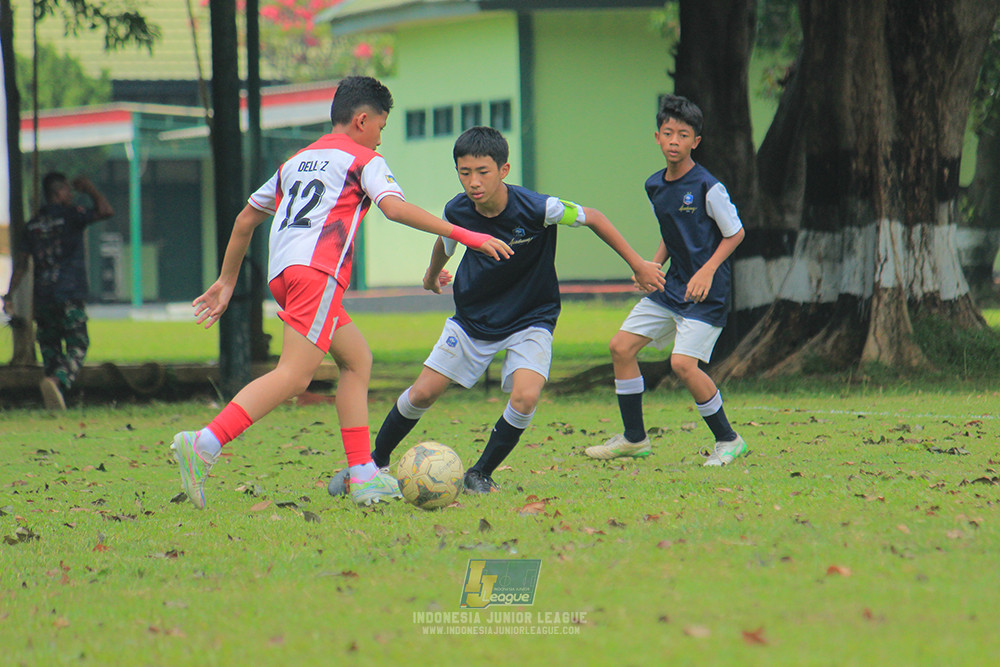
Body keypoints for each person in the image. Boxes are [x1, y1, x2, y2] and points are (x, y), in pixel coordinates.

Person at [168, 76, 513, 510]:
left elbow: (244, 220)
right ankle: (205, 443)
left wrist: (226, 280)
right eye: (381, 128)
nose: (380, 138)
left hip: (287, 274)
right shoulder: (363, 159)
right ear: (363, 120)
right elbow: (394, 208)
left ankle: (364, 475)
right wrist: (467, 235)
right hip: (317, 272)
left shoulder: (296, 161)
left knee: (356, 360)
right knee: (294, 376)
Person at [329, 125, 664, 496]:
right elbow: (446, 241)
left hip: (531, 318)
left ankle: (481, 472)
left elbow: (596, 217)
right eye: (464, 172)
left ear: (504, 170)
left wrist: (638, 264)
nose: (473, 182)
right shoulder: (458, 209)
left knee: (525, 396)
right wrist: (430, 276)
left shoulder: (539, 208)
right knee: (423, 392)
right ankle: (373, 463)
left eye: (482, 172)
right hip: (473, 319)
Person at [584, 94, 747, 466]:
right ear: (657, 137)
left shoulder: (709, 186)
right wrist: (651, 267)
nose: (674, 140)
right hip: (670, 287)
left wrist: (707, 270)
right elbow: (672, 232)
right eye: (668, 133)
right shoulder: (654, 186)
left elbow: (734, 233)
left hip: (706, 293)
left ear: (696, 142)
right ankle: (634, 438)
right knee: (621, 347)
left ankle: (729, 439)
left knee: (683, 365)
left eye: (683, 134)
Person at [3, 172, 114, 410]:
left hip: (42, 298)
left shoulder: (33, 225)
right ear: (57, 193)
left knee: (50, 348)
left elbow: (22, 266)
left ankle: (54, 397)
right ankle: (56, 382)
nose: (71, 194)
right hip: (69, 293)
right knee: (78, 343)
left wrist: (9, 294)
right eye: (67, 189)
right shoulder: (71, 216)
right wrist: (90, 188)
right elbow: (106, 211)